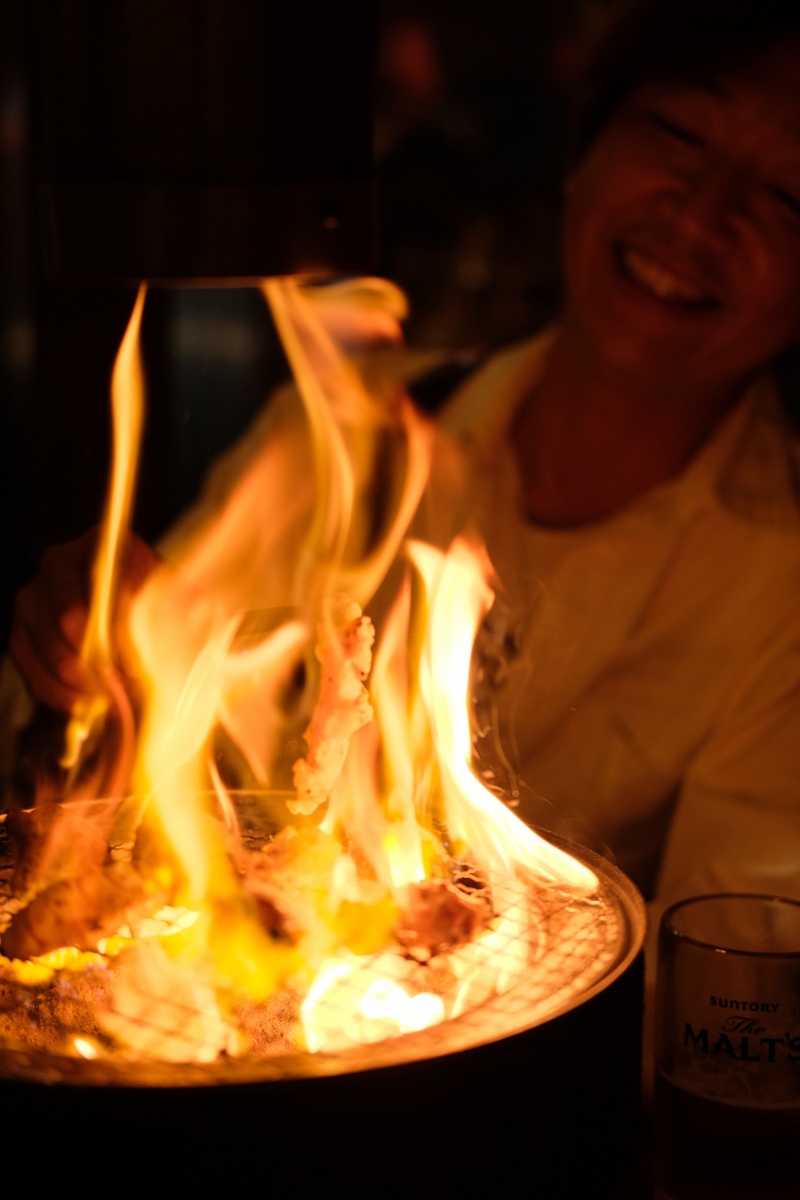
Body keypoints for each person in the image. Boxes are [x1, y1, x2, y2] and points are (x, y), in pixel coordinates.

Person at [7, 0, 800, 931]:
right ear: (582, 153)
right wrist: (97, 654)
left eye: (788, 192)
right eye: (676, 131)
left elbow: (732, 970)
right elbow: (151, 743)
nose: (702, 216)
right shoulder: (346, 431)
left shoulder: (778, 584)